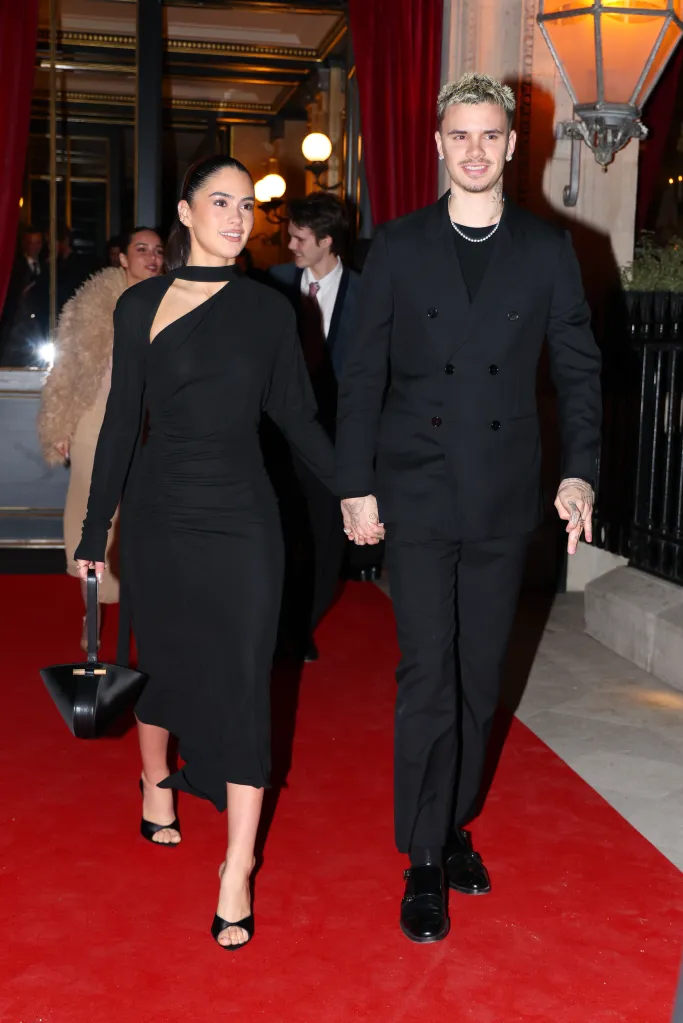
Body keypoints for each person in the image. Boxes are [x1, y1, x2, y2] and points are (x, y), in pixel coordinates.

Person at [336, 72, 602, 943]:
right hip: (414, 489)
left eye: (491, 135)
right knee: (428, 676)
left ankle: (452, 825)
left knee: (480, 679)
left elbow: (576, 368)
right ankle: (420, 855)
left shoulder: (547, 247)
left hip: (500, 492)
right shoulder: (399, 245)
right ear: (439, 143)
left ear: (513, 146)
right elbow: (362, 375)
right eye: (461, 136)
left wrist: (578, 472)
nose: (476, 150)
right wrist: (354, 484)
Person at [74, 155, 335, 950]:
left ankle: (237, 865)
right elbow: (123, 420)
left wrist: (360, 489)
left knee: (246, 677)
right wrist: (94, 534)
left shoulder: (270, 311)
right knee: (162, 659)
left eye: (245, 204)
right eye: (218, 201)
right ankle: (156, 782)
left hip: (244, 517)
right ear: (184, 213)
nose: (235, 215)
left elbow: (296, 416)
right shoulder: (142, 304)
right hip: (159, 512)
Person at [38, 228, 165, 650]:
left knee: (145, 524)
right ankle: (93, 613)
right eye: (141, 249)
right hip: (96, 423)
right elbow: (68, 368)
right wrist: (61, 425)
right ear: (122, 259)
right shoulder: (94, 304)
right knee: (92, 520)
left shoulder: (175, 305)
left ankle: (142, 609)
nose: (151, 257)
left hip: (153, 428)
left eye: (158, 251)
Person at [268, 193, 360, 659]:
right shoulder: (275, 285)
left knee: (325, 538)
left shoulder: (367, 294)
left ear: (326, 241)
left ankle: (304, 621)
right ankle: (281, 621)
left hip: (337, 438)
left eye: (300, 237)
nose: (290, 245)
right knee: (280, 531)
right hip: (281, 436)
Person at [0, 225, 45, 365]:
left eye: (38, 242)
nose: (35, 247)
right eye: (31, 243)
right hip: (19, 326)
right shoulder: (16, 267)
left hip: (41, 325)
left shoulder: (47, 266)